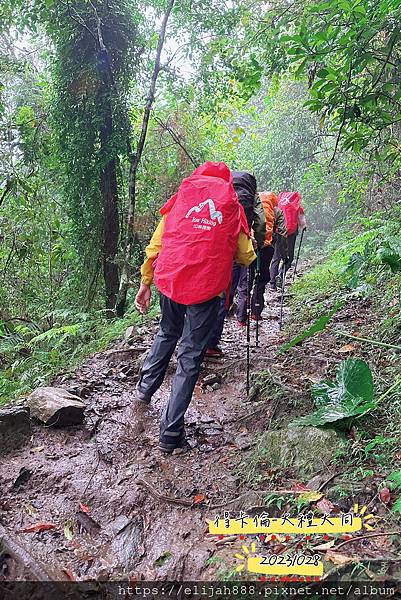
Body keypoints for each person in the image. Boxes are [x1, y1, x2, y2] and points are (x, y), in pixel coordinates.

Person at [134, 161, 255, 453]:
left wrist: (145, 282)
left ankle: (143, 391)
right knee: (189, 356)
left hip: (171, 279)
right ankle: (170, 434)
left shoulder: (182, 198)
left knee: (166, 332)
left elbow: (157, 243)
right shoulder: (231, 207)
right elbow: (246, 256)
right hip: (205, 288)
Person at [205, 171, 266, 357]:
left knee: (207, 291)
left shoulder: (223, 188)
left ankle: (192, 339)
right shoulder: (253, 196)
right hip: (235, 249)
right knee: (225, 295)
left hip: (212, 247)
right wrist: (258, 244)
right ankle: (211, 343)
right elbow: (261, 222)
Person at [241, 191, 288, 322]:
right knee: (261, 279)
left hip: (249, 246)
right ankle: (256, 313)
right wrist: (285, 256)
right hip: (266, 248)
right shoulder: (276, 211)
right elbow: (283, 233)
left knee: (246, 279)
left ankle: (241, 316)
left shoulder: (250, 207)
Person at [269, 191, 306, 291]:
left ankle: (272, 283)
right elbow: (302, 221)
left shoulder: (279, 203)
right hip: (290, 234)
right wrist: (303, 227)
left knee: (276, 257)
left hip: (278, 233)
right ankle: (281, 274)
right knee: (289, 257)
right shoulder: (297, 206)